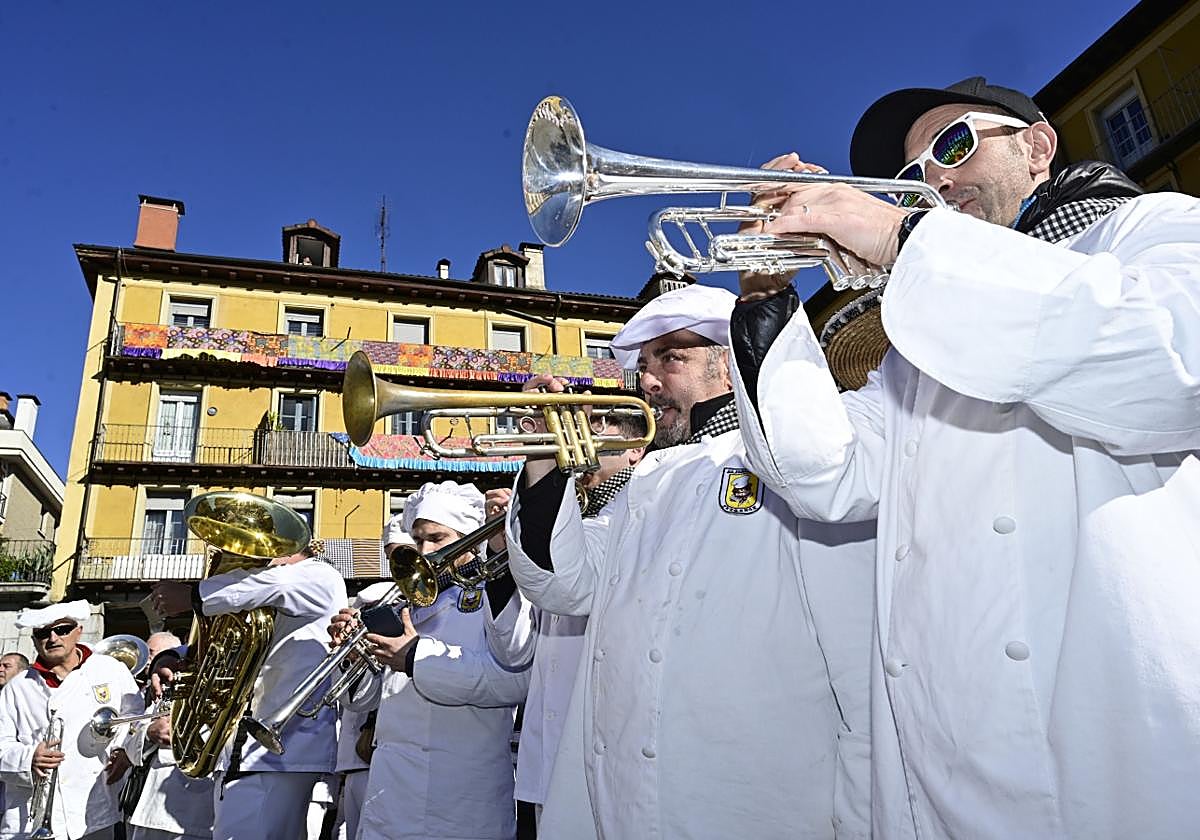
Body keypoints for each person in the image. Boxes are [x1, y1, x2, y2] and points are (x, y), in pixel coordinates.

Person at [728, 76, 1200, 839]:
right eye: (912, 177)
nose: (935, 182)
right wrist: (765, 297)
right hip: (945, 761)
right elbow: (821, 473)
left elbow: (1169, 364)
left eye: (953, 146)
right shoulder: (916, 353)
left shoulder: (1154, 228)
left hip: (1119, 748)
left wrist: (902, 240)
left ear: (1038, 148)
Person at [502, 283, 876, 839]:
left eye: (670, 358)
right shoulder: (646, 479)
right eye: (644, 366)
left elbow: (856, 659)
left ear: (728, 363)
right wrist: (542, 459)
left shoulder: (802, 456)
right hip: (623, 794)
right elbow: (563, 584)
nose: (649, 382)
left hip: (752, 795)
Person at [330, 481, 530, 840]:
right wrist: (354, 655)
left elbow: (512, 681)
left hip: (461, 796)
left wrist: (413, 658)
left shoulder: (497, 596)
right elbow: (362, 701)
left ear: (469, 539)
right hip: (390, 794)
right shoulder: (404, 602)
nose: (424, 552)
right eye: (418, 540)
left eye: (437, 539)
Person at [481, 414, 646, 829]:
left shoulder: (643, 511)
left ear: (635, 449)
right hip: (543, 758)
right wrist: (500, 555)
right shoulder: (564, 512)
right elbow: (513, 650)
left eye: (599, 426)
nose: (581, 434)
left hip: (609, 756)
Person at [151, 539, 347, 840]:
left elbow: (276, 584)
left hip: (277, 755)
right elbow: (224, 643)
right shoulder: (268, 591)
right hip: (246, 755)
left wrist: (194, 595)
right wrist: (174, 656)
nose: (242, 560)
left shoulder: (317, 575)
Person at [0, 600, 142, 840]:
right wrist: (29, 758)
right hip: (27, 817)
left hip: (95, 811)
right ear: (34, 640)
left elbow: (136, 719)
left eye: (62, 630)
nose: (53, 638)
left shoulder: (110, 669)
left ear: (78, 631)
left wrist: (127, 751)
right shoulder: (17, 687)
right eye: (43, 633)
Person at [120, 631, 215, 840]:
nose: (148, 661)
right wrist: (149, 733)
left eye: (153, 654)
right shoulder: (164, 685)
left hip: (192, 810)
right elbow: (130, 741)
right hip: (146, 807)